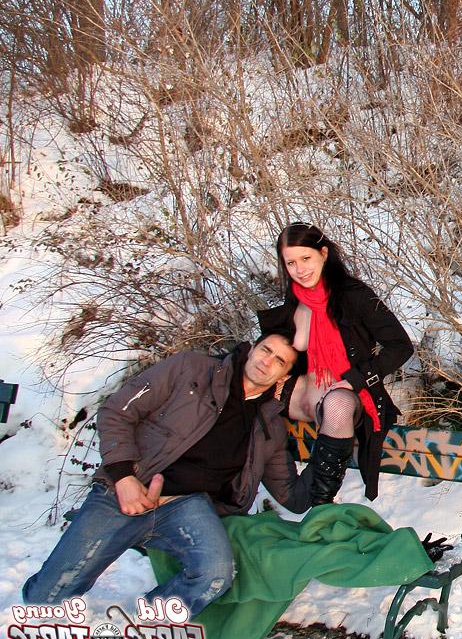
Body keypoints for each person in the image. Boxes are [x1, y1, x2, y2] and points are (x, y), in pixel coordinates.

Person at [23, 334, 318, 617]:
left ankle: (147, 618)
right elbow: (116, 411)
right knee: (43, 599)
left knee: (215, 575)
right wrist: (124, 477)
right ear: (252, 347)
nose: (267, 362)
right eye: (266, 350)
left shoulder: (269, 426)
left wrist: (335, 440)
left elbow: (292, 496)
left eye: (279, 361)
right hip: (129, 489)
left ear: (283, 376)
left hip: (187, 506)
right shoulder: (190, 369)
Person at [258, 222, 413, 504]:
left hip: (347, 394)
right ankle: (234, 494)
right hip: (307, 389)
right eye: (291, 263)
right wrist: (280, 373)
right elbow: (296, 347)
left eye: (306, 259)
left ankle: (320, 505)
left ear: (324, 253)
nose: (300, 269)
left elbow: (401, 347)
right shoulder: (296, 295)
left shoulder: (354, 294)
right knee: (247, 390)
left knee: (337, 405)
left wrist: (356, 379)